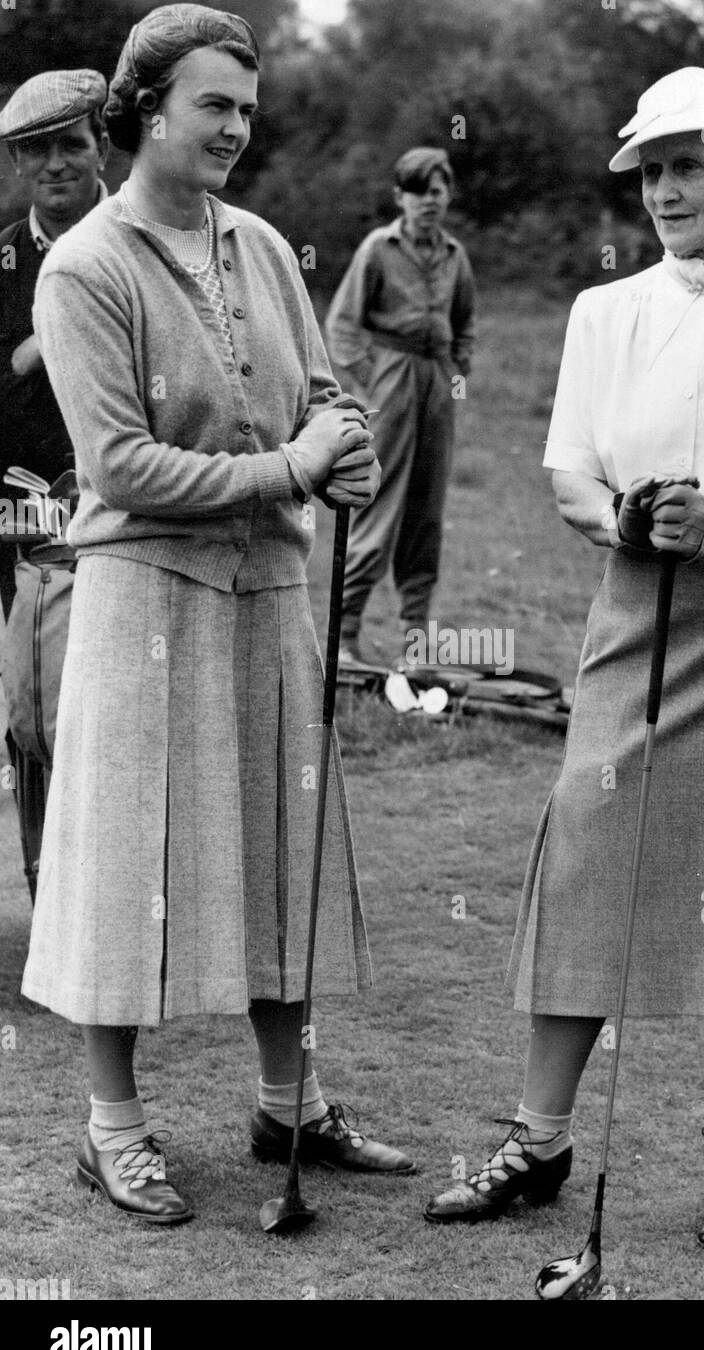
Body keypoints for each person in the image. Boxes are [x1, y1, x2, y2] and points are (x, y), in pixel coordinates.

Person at [424, 68, 704, 1248]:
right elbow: (570, 466)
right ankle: (539, 1137)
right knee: (585, 847)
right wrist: (621, 518)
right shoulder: (602, 311)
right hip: (635, 606)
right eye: (651, 171)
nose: (664, 191)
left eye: (688, 167)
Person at [21, 3, 414, 1226]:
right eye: (214, 105)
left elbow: (328, 394)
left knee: (276, 851)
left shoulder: (260, 244)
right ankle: (112, 1130)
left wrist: (341, 443)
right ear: (143, 111)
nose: (237, 128)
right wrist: (292, 469)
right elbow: (122, 466)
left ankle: (288, 1105)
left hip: (270, 595)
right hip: (144, 595)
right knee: (122, 857)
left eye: (248, 108)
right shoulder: (86, 264)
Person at [324, 147, 476, 664]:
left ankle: (416, 642)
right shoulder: (378, 248)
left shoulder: (456, 255)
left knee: (426, 510)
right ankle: (344, 639)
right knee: (376, 502)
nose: (428, 202)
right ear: (399, 198)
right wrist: (372, 383)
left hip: (436, 383)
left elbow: (466, 324)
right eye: (417, 192)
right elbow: (343, 324)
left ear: (447, 195)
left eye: (437, 191)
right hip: (391, 377)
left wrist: (457, 373)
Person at [0, 69, 109, 619]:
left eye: (73, 144)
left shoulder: (146, 243)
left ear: (103, 148)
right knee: (35, 684)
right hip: (23, 516)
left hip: (129, 510)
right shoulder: (4, 259)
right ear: (17, 161)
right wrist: (37, 347)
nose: (56, 163)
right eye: (37, 149)